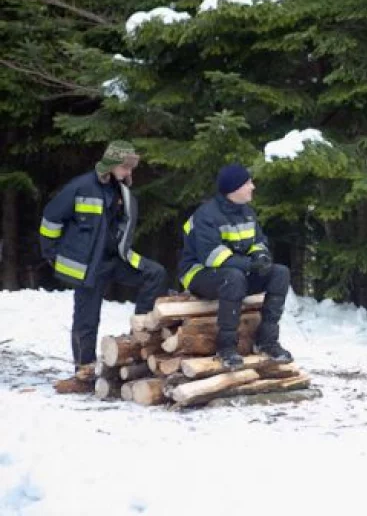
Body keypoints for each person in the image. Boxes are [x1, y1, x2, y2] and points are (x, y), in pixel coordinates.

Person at [39, 140, 167, 393]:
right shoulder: (80, 186)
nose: (130, 173)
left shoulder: (121, 191)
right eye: (126, 167)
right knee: (87, 319)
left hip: (116, 259)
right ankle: (84, 371)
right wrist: (52, 254)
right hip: (88, 266)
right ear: (111, 164)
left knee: (155, 273)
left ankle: (137, 338)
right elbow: (50, 219)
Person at [178, 163, 292, 370]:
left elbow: (259, 241)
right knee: (234, 277)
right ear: (234, 188)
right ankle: (226, 349)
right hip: (199, 274)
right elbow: (211, 256)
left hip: (236, 272)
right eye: (248, 183)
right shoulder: (206, 215)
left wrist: (262, 258)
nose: (253, 187)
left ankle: (267, 342)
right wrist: (250, 264)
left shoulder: (247, 212)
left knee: (280, 273)